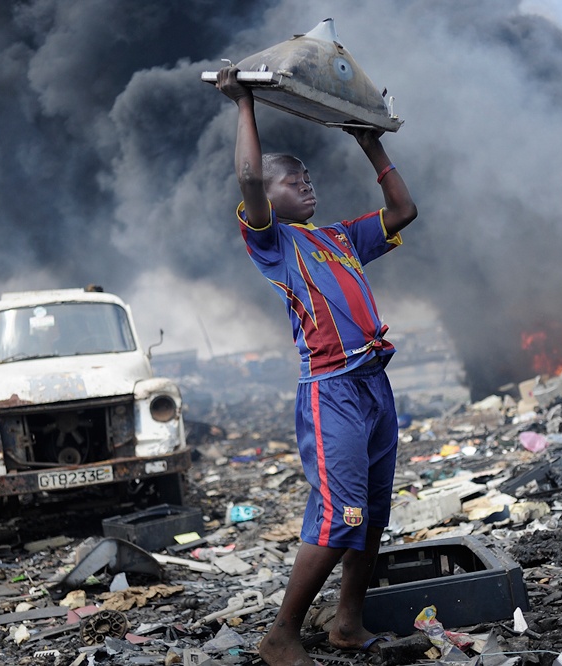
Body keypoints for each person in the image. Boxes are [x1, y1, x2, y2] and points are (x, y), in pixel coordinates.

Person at [216, 66, 418, 666]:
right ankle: (282, 633)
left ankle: (347, 625)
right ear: (267, 198)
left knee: (372, 514)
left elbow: (403, 210)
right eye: (292, 179)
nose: (306, 185)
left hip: (373, 387)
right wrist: (244, 101)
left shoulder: (338, 238)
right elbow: (250, 173)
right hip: (332, 391)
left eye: (307, 178)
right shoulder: (271, 241)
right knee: (341, 513)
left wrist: (368, 140)